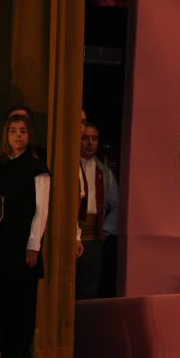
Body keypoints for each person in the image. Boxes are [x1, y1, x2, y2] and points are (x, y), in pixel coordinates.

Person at [0, 115, 50, 358]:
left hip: (23, 242)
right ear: (5, 135)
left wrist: (33, 245)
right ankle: (0, 352)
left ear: (30, 136)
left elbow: (41, 210)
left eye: (23, 131)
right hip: (0, 241)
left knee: (21, 302)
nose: (18, 136)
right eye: (13, 131)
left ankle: (18, 357)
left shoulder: (37, 168)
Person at [76, 122, 118, 299]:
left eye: (94, 139)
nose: (90, 143)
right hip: (72, 231)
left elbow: (116, 205)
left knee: (89, 287)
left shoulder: (104, 172)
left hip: (93, 236)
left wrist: (105, 230)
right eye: (85, 138)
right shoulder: (70, 168)